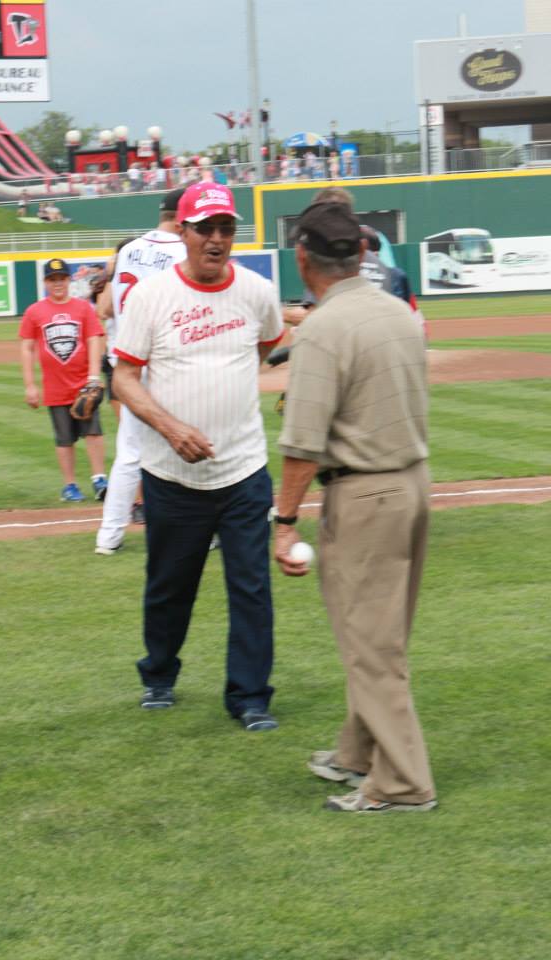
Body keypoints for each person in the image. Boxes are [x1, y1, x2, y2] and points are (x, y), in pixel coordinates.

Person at [274, 201, 437, 812]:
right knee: (381, 635)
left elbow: (302, 445)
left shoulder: (320, 329)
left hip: (365, 492)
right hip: (413, 480)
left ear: (303, 257)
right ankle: (357, 753)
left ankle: (402, 784)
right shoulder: (397, 311)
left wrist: (284, 523)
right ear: (361, 254)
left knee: (371, 645)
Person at [112, 181, 284, 730]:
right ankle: (159, 674)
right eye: (204, 228)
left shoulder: (256, 291)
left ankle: (251, 696)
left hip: (243, 469)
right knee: (169, 587)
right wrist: (170, 425)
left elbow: (264, 349)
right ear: (182, 232)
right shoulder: (151, 296)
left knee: (251, 587)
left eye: (225, 228)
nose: (215, 238)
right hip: (171, 474)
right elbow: (124, 377)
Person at [94, 189, 188, 556]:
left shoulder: (129, 250)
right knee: (189, 440)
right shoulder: (183, 251)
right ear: (183, 221)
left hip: (127, 361)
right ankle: (203, 528)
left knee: (130, 451)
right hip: (166, 361)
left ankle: (108, 537)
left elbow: (109, 307)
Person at [19, 258, 109, 503]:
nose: (57, 283)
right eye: (52, 279)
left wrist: (93, 376)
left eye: (62, 278)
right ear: (45, 282)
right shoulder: (34, 311)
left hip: (82, 384)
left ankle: (99, 479)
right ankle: (69, 485)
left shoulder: (83, 309)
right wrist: (30, 385)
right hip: (55, 387)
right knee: (64, 438)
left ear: (69, 280)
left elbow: (93, 340)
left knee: (93, 432)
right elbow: (27, 348)